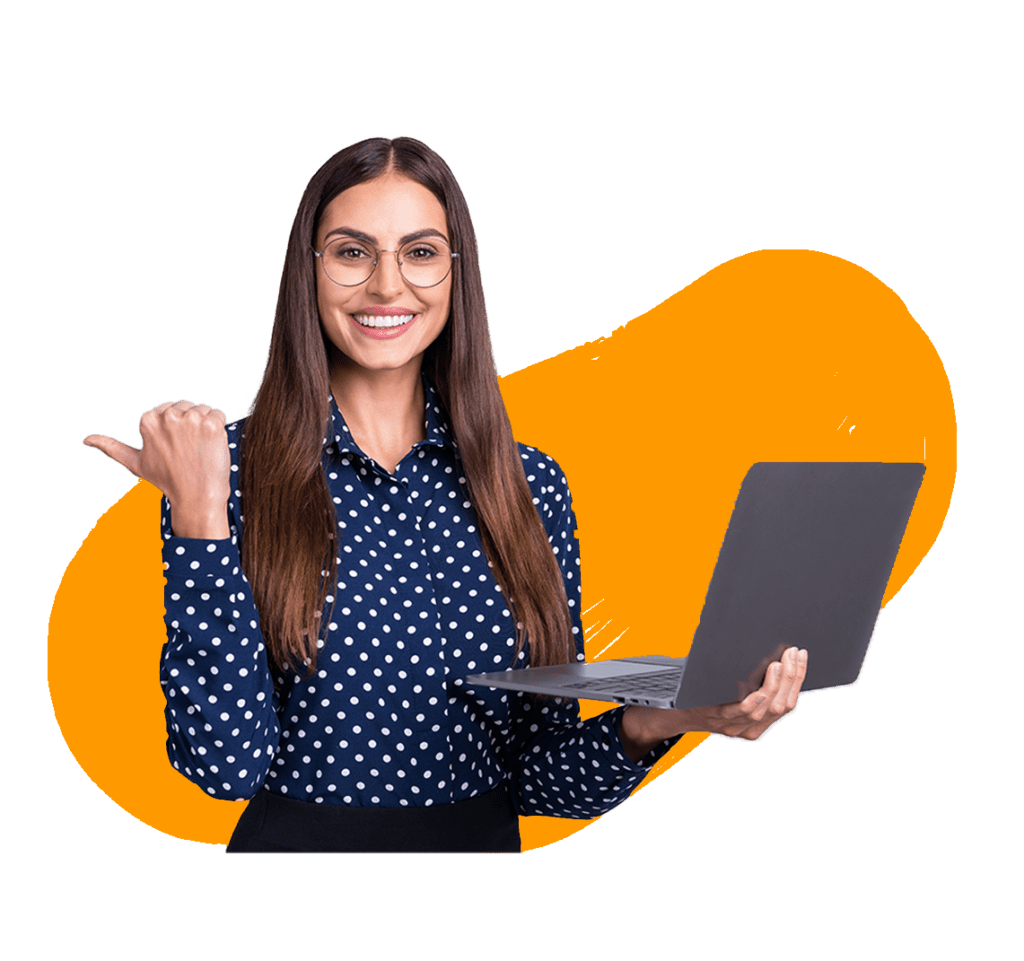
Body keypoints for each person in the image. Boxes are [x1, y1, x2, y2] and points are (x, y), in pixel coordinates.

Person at [83, 135, 807, 853]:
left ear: (457, 274)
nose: (388, 285)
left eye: (421, 253)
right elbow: (223, 765)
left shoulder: (528, 485)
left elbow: (543, 782)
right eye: (352, 251)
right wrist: (200, 517)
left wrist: (668, 718)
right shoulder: (224, 473)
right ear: (310, 272)